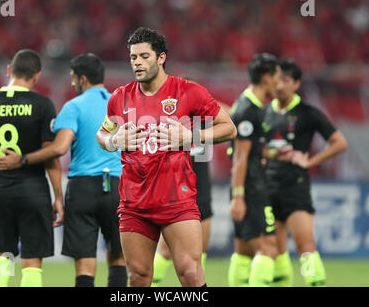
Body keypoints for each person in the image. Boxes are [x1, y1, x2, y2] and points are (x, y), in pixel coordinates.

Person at [96, 27, 237, 287]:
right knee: (138, 277)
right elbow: (102, 135)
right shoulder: (120, 97)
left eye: (144, 56)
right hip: (134, 203)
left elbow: (229, 128)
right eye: (133, 57)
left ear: (161, 58)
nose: (137, 62)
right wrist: (114, 141)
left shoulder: (188, 91)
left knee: (190, 273)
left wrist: (190, 137)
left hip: (177, 201)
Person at [0, 53, 127, 287]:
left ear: (83, 79)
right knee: (118, 257)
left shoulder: (73, 106)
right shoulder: (121, 104)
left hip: (83, 187)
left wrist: (23, 159)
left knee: (85, 263)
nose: (73, 83)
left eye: (74, 78)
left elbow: (59, 147)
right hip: (117, 186)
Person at [0, 49, 64, 287]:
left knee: (4, 257)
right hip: (34, 191)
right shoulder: (43, 105)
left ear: (9, 71)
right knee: (32, 263)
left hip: (1, 191)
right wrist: (58, 197)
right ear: (37, 76)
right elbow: (51, 156)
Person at [263, 59, 348, 287]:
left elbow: (339, 142)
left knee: (305, 245)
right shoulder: (265, 112)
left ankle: (315, 283)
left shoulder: (308, 112)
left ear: (296, 83)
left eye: (286, 81)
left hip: (295, 187)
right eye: (277, 80)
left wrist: (310, 162)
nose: (279, 85)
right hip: (268, 187)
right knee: (274, 250)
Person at [150, 77, 232, 287]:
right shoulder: (172, 122)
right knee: (167, 250)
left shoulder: (204, 120)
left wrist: (208, 103)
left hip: (201, 188)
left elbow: (233, 115)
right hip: (176, 191)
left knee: (201, 247)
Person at [228, 53, 281, 287]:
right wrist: (238, 196)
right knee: (269, 249)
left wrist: (271, 153)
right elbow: (240, 156)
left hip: (248, 185)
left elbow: (248, 152)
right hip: (250, 187)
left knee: (243, 251)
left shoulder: (249, 105)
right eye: (277, 77)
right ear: (266, 77)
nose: (278, 84)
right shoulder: (248, 110)